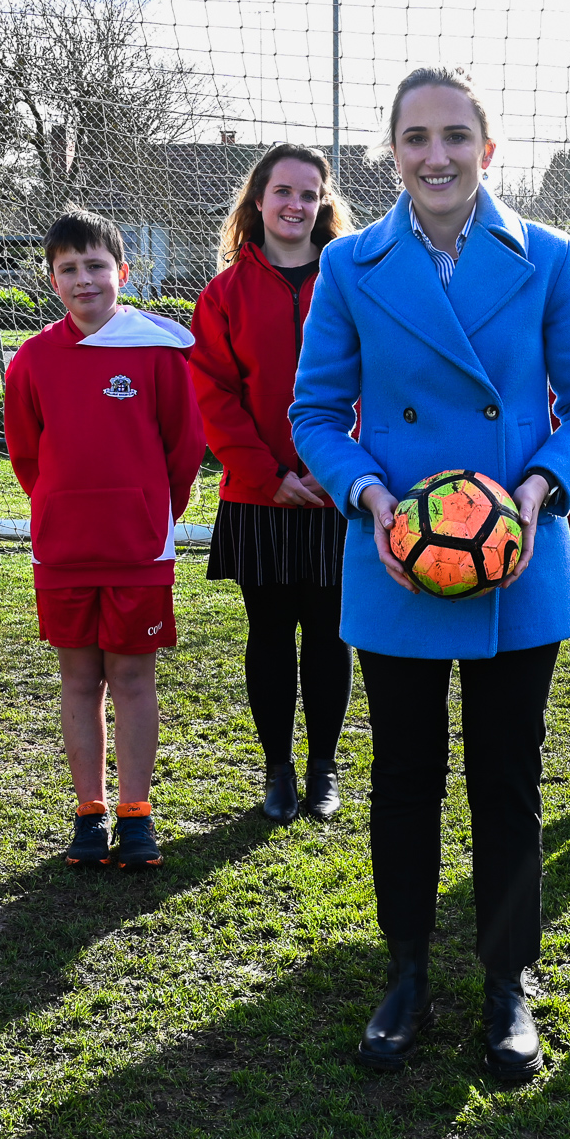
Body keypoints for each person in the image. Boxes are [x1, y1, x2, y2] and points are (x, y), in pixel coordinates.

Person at [289, 67, 570, 1078]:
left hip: (516, 565)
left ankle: (505, 977)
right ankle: (405, 973)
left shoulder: (551, 258)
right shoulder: (349, 265)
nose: (435, 155)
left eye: (454, 135)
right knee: (403, 781)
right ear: (389, 151)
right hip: (394, 564)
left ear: (488, 144)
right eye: (414, 137)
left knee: (506, 780)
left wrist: (536, 489)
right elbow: (315, 412)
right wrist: (370, 500)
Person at [3, 207, 207, 870]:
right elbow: (27, 456)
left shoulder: (157, 349)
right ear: (52, 279)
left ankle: (136, 812)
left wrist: (151, 511)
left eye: (96, 265)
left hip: (138, 548)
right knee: (79, 677)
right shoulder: (32, 359)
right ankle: (89, 811)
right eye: (69, 268)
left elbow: (184, 447)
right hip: (63, 548)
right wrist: (63, 508)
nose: (84, 279)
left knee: (132, 676)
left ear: (122, 271)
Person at [190, 144, 356, 824]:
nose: (295, 204)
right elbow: (215, 395)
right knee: (269, 634)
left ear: (323, 205)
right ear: (257, 201)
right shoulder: (223, 293)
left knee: (328, 633)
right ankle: (277, 769)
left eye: (308, 193)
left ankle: (322, 768)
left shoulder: (352, 281)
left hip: (337, 489)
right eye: (282, 190)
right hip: (258, 494)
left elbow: (379, 377)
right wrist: (269, 472)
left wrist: (339, 464)